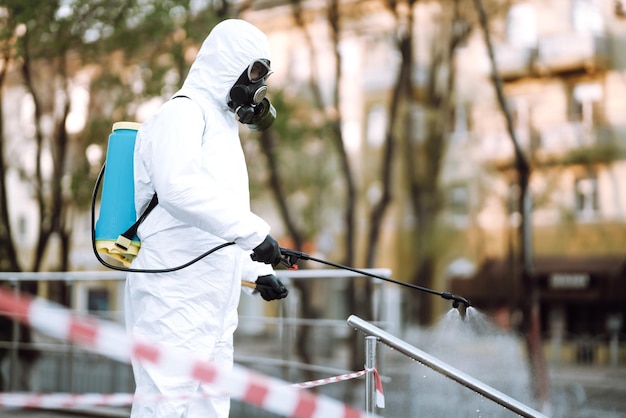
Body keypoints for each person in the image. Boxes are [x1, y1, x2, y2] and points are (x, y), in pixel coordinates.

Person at [125, 19, 288, 418]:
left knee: (210, 410)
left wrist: (252, 272)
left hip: (215, 307)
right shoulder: (181, 114)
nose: (256, 85)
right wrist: (255, 234)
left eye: (262, 75)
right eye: (252, 72)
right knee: (163, 408)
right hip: (173, 300)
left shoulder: (222, 129)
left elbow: (211, 222)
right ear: (225, 63)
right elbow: (179, 191)